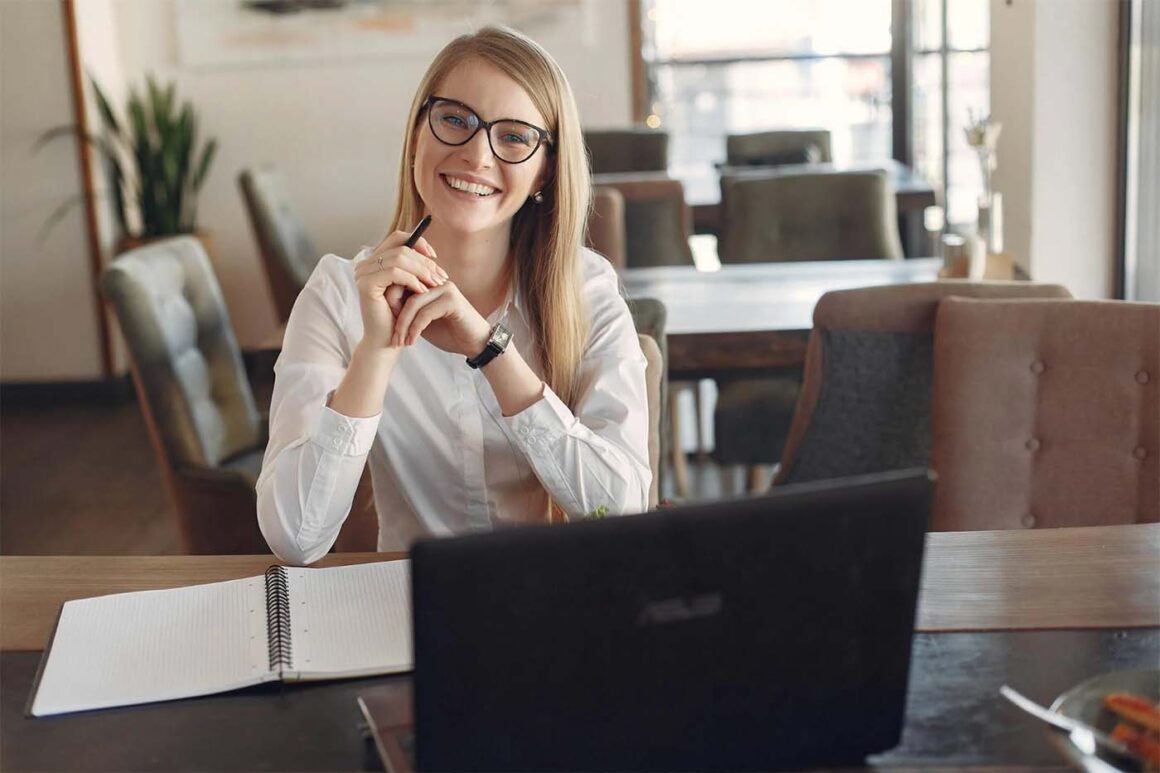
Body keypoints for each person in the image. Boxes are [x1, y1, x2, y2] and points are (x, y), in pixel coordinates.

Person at [257, 26, 650, 565]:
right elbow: (296, 539)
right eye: (455, 120)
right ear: (418, 133)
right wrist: (378, 349)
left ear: (545, 172)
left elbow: (621, 515)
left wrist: (491, 351)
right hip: (409, 608)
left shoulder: (587, 291)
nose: (476, 154)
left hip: (555, 598)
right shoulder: (338, 294)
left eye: (513, 136)